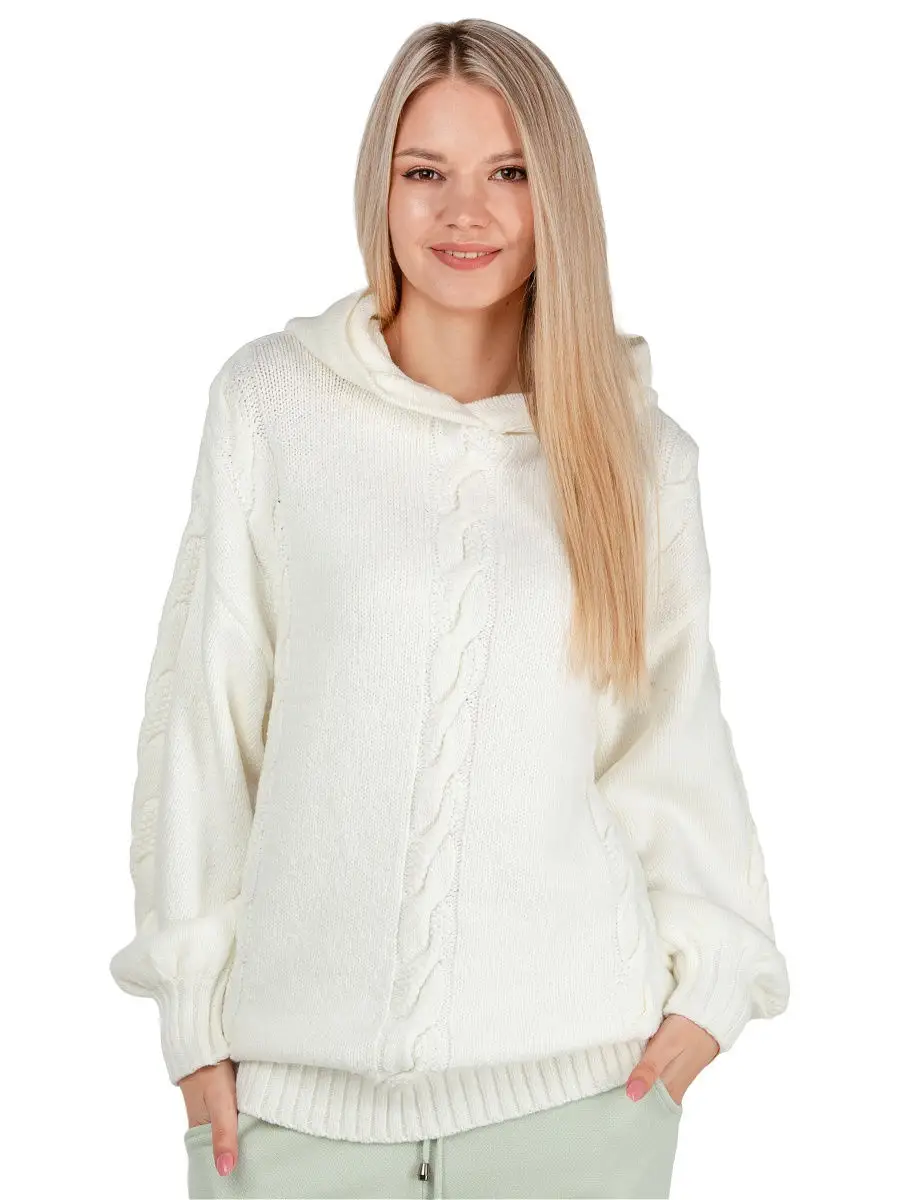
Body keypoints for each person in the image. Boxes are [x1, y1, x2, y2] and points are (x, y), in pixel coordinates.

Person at [108, 17, 790, 1200]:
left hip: (580, 1105)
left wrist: (712, 992)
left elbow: (670, 746)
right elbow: (206, 724)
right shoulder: (272, 407)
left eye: (509, 173)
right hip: (290, 1111)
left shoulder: (640, 457)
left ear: (556, 194)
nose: (464, 212)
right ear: (379, 186)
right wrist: (192, 1022)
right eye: (426, 172)